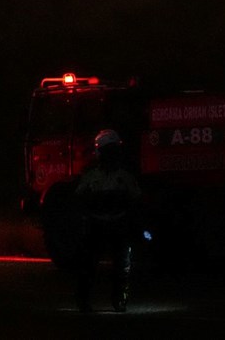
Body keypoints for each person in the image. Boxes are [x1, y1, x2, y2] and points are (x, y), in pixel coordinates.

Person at [74, 129, 142, 313]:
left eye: (114, 151)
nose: (112, 155)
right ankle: (84, 300)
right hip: (97, 225)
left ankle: (119, 299)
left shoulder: (125, 176)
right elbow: (79, 200)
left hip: (118, 225)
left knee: (122, 267)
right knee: (88, 266)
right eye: (108, 151)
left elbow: (136, 201)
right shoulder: (90, 176)